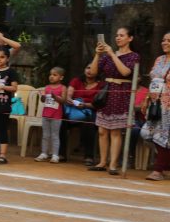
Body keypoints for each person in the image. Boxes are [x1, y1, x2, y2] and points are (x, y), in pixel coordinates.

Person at [88, 27, 139, 175]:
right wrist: (98, 54)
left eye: (122, 35)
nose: (118, 38)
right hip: (106, 92)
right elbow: (93, 72)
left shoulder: (134, 56)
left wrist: (111, 54)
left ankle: (113, 164)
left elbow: (125, 72)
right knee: (102, 130)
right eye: (117, 35)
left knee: (115, 131)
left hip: (121, 93)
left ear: (130, 38)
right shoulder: (107, 55)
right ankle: (102, 162)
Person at [142, 32, 170, 180]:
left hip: (168, 104)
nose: (164, 42)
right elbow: (153, 82)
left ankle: (158, 170)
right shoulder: (159, 59)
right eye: (164, 40)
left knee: (163, 135)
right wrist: (147, 98)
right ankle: (166, 166)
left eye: (169, 40)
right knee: (147, 133)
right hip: (155, 103)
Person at [62, 63, 101, 166]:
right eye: (88, 67)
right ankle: (61, 154)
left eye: (92, 68)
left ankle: (88, 156)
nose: (89, 70)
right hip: (74, 109)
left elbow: (99, 103)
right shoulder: (76, 81)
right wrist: (69, 99)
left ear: (98, 71)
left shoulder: (101, 85)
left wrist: (85, 105)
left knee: (89, 123)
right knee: (61, 120)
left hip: (91, 110)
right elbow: (69, 95)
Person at [35, 67, 67, 163]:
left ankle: (55, 155)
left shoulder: (63, 88)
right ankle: (44, 153)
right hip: (45, 115)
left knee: (55, 136)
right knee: (45, 135)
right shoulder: (47, 87)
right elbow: (43, 100)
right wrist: (42, 97)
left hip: (56, 116)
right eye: (50, 74)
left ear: (61, 77)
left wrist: (55, 97)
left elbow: (63, 101)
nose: (51, 76)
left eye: (55, 75)